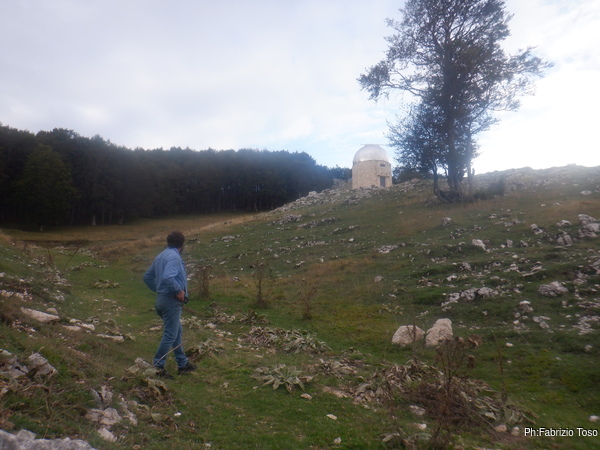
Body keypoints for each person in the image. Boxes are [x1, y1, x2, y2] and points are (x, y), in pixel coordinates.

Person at [143, 231, 196, 379]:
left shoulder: (161, 256)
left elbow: (147, 277)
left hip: (162, 300)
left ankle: (182, 363)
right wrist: (178, 291)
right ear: (182, 244)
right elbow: (168, 277)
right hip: (171, 301)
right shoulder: (174, 257)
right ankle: (157, 366)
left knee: (176, 331)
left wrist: (159, 290)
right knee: (170, 334)